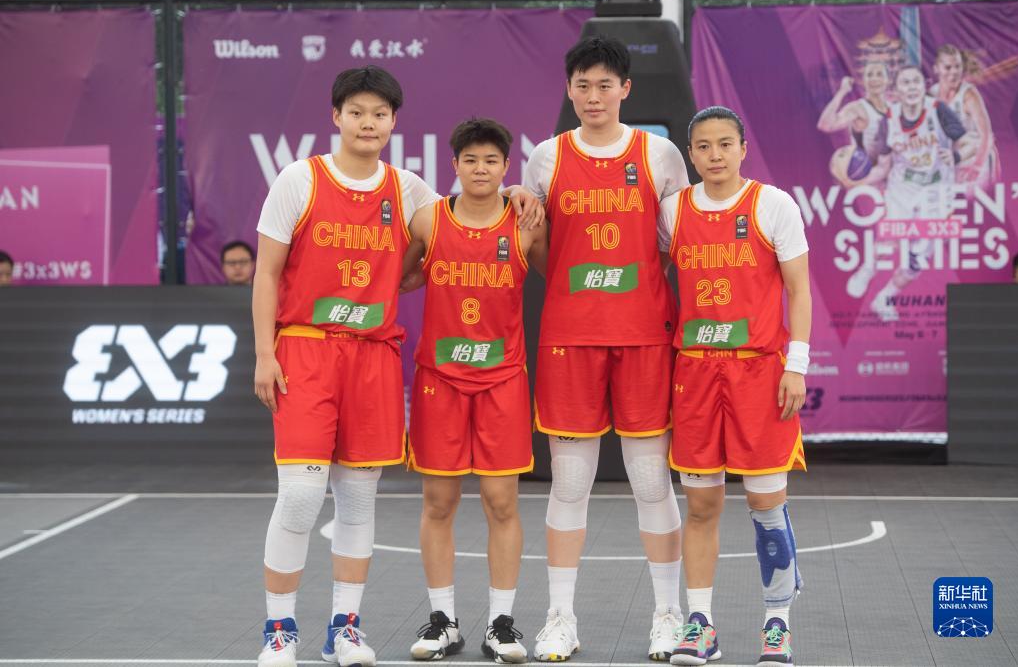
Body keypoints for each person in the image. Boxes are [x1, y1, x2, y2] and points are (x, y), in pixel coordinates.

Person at [251, 65, 541, 667]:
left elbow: (472, 211)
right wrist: (263, 352)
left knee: (359, 500)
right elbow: (267, 273)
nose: (368, 123)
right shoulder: (298, 180)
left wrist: (517, 192)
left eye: (379, 115)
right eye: (357, 112)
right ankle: (279, 630)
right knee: (301, 496)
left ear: (393, 123)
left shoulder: (408, 190)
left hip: (374, 354)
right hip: (306, 348)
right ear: (336, 116)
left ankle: (344, 628)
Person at [522, 35, 690, 662]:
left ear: (625, 89)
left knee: (651, 480)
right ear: (569, 90)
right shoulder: (545, 158)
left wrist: (632, 287)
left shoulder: (661, 154)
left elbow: (673, 244)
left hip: (644, 336)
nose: (593, 96)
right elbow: (541, 248)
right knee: (569, 483)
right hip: (570, 337)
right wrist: (584, 287)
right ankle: (559, 618)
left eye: (604, 85)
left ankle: (668, 614)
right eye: (582, 85)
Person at [661, 106, 811, 667]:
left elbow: (799, 290)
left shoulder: (773, 205)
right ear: (691, 154)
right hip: (696, 373)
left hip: (758, 373)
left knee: (766, 504)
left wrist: (797, 364)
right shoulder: (673, 211)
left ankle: (777, 625)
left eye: (725, 144)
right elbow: (649, 281)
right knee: (701, 506)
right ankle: (700, 624)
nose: (715, 154)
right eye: (703, 146)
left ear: (743, 148)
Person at [401, 118, 547, 664]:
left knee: (501, 501)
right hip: (439, 380)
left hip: (502, 380)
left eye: (491, 161)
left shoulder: (526, 223)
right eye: (470, 160)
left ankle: (501, 624)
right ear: (455, 165)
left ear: (506, 166)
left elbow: (563, 279)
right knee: (439, 502)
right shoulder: (428, 220)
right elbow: (398, 277)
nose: (480, 169)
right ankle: (443, 621)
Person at [852, 65, 972, 321]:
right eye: (905, 82)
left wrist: (955, 156)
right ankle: (867, 269)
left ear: (924, 86)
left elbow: (969, 142)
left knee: (917, 259)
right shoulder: (890, 118)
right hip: (903, 187)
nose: (911, 87)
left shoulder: (938, 110)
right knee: (891, 237)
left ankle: (885, 298)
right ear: (896, 90)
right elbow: (883, 165)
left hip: (936, 190)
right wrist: (855, 183)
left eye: (916, 82)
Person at [930, 44, 999, 188]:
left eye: (958, 66)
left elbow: (987, 136)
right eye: (948, 67)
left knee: (976, 199)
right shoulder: (931, 94)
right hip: (952, 161)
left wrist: (977, 167)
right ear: (936, 69)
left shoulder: (969, 94)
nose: (954, 72)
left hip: (977, 158)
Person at [817, 61, 891, 188]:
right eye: (870, 75)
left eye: (879, 74)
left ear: (887, 80)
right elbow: (825, 124)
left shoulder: (895, 108)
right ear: (863, 81)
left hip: (895, 181)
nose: (874, 79)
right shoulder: (858, 109)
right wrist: (842, 91)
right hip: (869, 182)